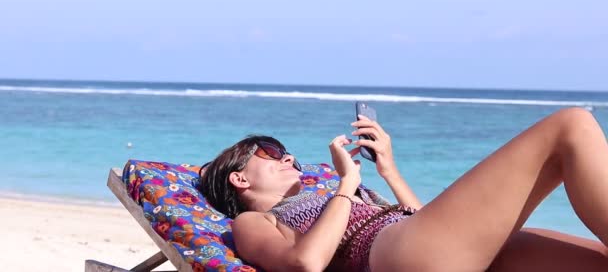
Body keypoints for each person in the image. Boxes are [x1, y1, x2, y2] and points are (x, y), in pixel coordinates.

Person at [198, 107, 608, 271]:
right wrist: (348, 183)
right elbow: (306, 264)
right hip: (390, 255)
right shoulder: (254, 220)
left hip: (418, 244)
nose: (287, 157)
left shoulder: (331, 197)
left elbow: (423, 223)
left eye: (287, 152)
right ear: (240, 178)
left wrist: (389, 171)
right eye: (271, 152)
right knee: (572, 126)